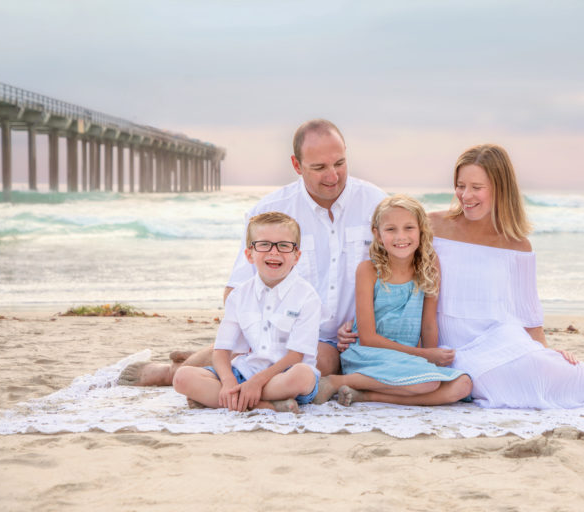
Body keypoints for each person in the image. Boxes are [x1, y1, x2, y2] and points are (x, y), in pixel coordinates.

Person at [118, 119, 386, 386]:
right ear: (296, 165)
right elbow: (236, 290)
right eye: (319, 167)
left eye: (339, 163)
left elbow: (410, 258)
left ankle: (207, 364)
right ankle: (172, 372)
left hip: (344, 341)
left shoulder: (376, 204)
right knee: (252, 359)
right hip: (279, 333)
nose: (333, 176)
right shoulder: (270, 210)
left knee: (315, 365)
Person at [425, 143, 584, 409]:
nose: (466, 195)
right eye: (460, 185)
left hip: (499, 336)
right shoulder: (432, 226)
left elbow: (529, 314)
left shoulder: (516, 244)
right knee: (489, 379)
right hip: (450, 343)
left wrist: (545, 351)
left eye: (477, 187)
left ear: (500, 188)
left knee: (541, 364)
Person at [314, 195, 472, 406]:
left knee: (463, 385)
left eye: (409, 228)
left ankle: (366, 395)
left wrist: (431, 361)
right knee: (428, 383)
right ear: (377, 235)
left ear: (421, 231)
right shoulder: (368, 270)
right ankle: (337, 380)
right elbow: (368, 338)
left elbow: (428, 323)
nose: (401, 237)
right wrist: (424, 354)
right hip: (369, 355)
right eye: (391, 229)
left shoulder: (430, 266)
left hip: (407, 359)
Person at [172, 212, 322, 412]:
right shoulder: (239, 295)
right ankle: (263, 405)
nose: (274, 252)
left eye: (284, 245)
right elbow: (221, 350)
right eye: (264, 245)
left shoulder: (307, 296)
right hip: (244, 371)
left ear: (297, 256)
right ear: (249, 254)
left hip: (284, 376)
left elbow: (296, 356)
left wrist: (257, 382)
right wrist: (227, 381)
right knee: (182, 377)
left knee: (303, 375)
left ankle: (227, 400)